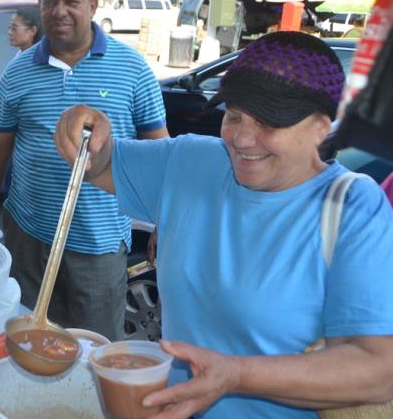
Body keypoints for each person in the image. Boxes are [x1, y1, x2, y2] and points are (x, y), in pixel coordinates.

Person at [54, 31, 393, 418]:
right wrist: (83, 124)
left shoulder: (352, 206)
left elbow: (379, 369)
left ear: (321, 126)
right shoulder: (191, 162)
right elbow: (98, 161)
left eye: (268, 123)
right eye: (234, 115)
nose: (243, 139)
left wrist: (235, 375)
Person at [0, 0, 169, 341]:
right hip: (27, 236)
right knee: (23, 340)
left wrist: (166, 220)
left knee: (92, 351)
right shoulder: (18, 71)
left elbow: (160, 150)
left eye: (71, 1)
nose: (59, 11)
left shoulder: (132, 69)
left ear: (93, 5)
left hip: (100, 242)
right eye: (50, 2)